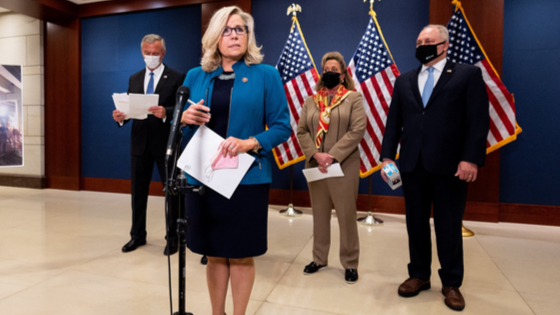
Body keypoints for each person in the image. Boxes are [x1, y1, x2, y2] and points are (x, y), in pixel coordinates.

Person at [179, 6, 291, 315]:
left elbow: (282, 126)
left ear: (248, 36)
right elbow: (180, 126)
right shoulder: (194, 75)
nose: (234, 35)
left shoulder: (266, 75)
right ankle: (218, 313)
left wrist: (251, 142)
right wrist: (186, 118)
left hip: (247, 179)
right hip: (203, 177)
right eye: (227, 30)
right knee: (213, 253)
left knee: (241, 253)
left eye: (240, 29)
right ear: (215, 36)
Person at [380, 25, 490, 311]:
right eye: (418, 41)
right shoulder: (404, 80)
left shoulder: (467, 74)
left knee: (449, 227)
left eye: (428, 41)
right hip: (412, 164)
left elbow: (478, 121)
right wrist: (386, 157)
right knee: (415, 223)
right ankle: (418, 275)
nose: (422, 45)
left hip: (451, 166)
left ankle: (451, 283)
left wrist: (471, 158)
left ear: (444, 45)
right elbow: (394, 122)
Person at [296, 52, 367, 284]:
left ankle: (350, 263)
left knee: (346, 215)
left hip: (343, 166)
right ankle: (319, 258)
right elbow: (302, 131)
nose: (330, 72)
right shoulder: (311, 101)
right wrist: (316, 154)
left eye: (334, 69)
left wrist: (332, 156)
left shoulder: (353, 98)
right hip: (316, 165)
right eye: (326, 68)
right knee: (319, 214)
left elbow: (357, 130)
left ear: (343, 74)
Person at [112, 34, 186, 256]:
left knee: (171, 193)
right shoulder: (134, 78)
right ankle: (137, 235)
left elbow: (182, 109)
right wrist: (121, 117)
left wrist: (167, 112)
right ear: (142, 53)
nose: (151, 57)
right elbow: (129, 108)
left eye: (155, 53)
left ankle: (173, 237)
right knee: (137, 192)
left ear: (163, 53)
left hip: (166, 144)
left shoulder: (177, 77)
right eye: (147, 53)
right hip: (139, 143)